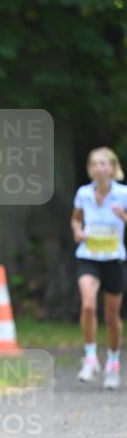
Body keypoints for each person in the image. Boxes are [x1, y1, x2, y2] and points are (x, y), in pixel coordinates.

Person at [71, 146, 127, 389]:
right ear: (89, 168)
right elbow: (75, 217)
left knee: (112, 316)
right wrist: (77, 231)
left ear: (113, 168)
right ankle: (91, 358)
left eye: (104, 163)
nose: (99, 167)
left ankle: (113, 363)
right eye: (95, 163)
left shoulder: (123, 194)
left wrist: (123, 217)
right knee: (88, 305)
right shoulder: (83, 193)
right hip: (89, 257)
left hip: (114, 259)